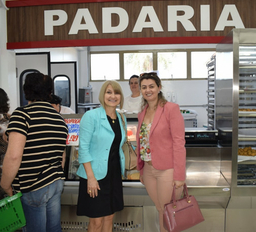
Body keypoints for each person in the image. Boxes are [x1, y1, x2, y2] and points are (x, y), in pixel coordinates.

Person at [0, 73, 68, 232]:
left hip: (33, 184)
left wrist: (5, 184)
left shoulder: (22, 114)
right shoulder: (59, 119)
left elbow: (14, 155)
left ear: (26, 91)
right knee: (53, 229)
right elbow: (62, 155)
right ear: (49, 92)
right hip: (56, 181)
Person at [136, 72, 186, 232]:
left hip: (167, 170)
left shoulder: (171, 109)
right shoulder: (142, 113)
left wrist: (179, 176)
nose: (147, 90)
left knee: (167, 211)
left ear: (159, 87)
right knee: (160, 209)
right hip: (149, 170)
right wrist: (142, 169)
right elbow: (142, 143)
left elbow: (179, 143)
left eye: (151, 86)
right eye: (144, 87)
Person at [76, 80, 126, 232]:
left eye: (116, 92)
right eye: (109, 92)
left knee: (109, 218)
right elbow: (83, 148)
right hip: (95, 176)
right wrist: (90, 178)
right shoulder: (91, 116)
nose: (113, 96)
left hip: (114, 174)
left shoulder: (120, 118)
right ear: (102, 95)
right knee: (96, 221)